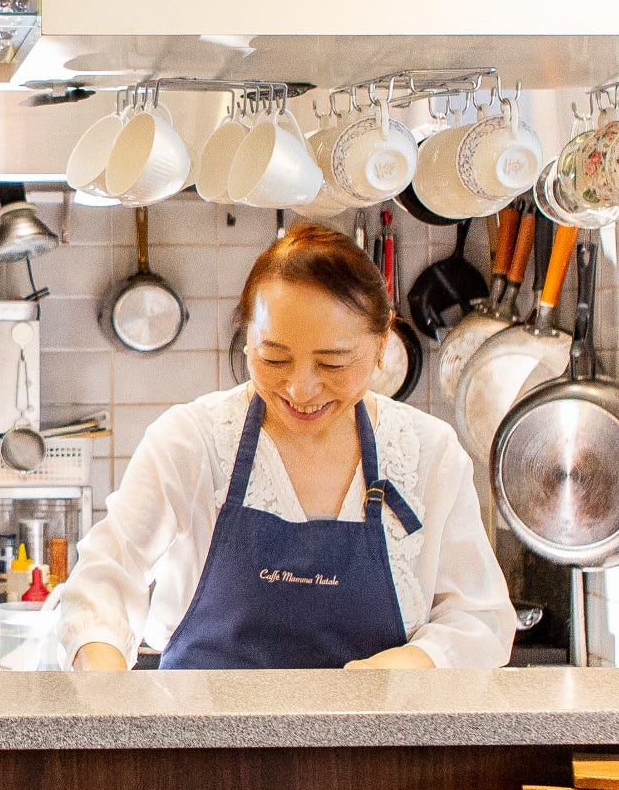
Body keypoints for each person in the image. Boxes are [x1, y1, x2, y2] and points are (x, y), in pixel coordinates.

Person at [59, 222, 517, 671]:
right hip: (202, 722)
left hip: (376, 723)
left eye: (332, 363)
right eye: (274, 358)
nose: (300, 390)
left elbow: (479, 618)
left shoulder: (428, 453)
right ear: (247, 342)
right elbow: (105, 576)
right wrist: (104, 683)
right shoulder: (191, 441)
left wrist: (413, 663)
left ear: (381, 346)